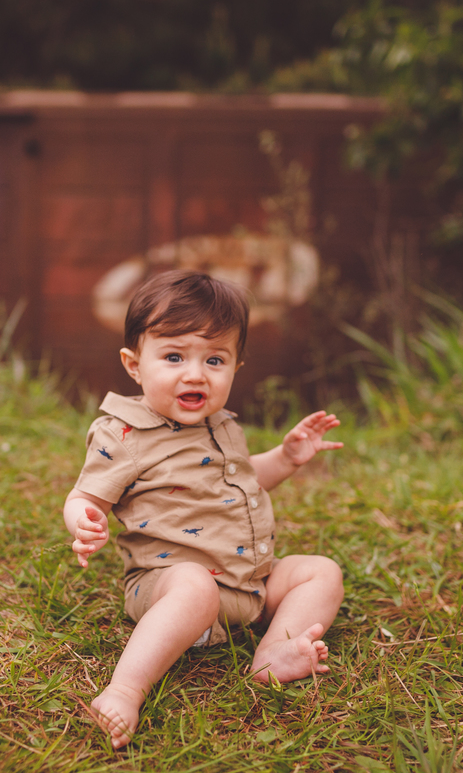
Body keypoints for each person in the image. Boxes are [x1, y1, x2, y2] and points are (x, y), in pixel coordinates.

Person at [62, 269, 345, 749]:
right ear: (134, 365)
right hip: (169, 585)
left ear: (235, 367)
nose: (195, 374)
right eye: (173, 356)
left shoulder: (222, 424)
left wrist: (287, 457)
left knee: (320, 571)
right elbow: (86, 495)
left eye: (214, 359)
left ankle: (272, 654)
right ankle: (126, 688)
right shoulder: (123, 433)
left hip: (247, 583)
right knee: (194, 584)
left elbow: (243, 474)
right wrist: (83, 520)